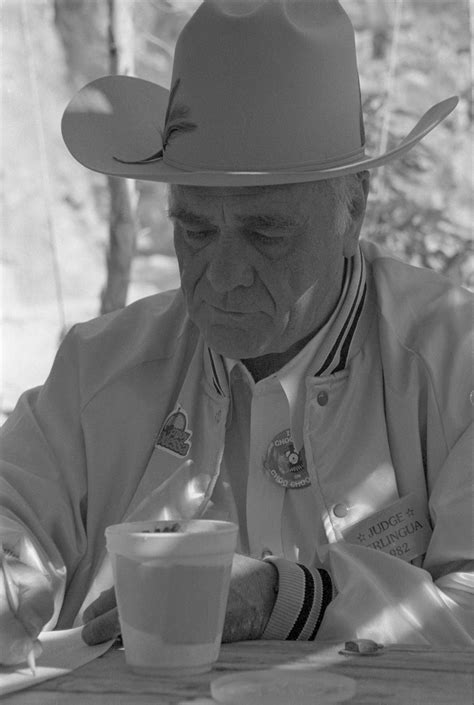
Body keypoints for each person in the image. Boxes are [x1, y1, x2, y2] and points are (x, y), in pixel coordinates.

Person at [1, 0, 473, 667]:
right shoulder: (97, 369)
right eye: (194, 229)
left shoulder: (458, 364)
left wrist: (286, 598)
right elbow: (12, 516)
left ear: (355, 208)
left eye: (266, 232)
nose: (220, 277)